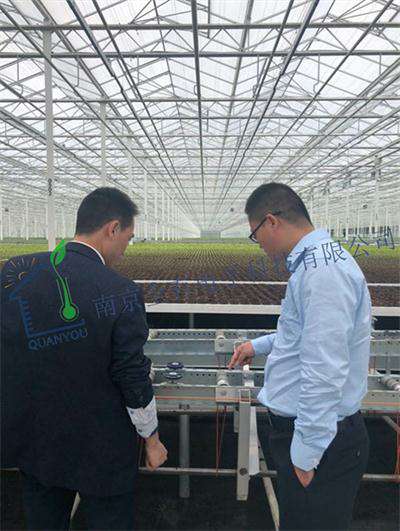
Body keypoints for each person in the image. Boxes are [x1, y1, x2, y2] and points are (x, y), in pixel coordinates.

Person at [1, 187, 167, 530]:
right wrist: (151, 438)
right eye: (128, 238)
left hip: (37, 441)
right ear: (112, 228)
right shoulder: (121, 291)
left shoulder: (17, 274)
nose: (125, 249)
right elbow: (130, 373)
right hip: (100, 447)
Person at [228, 182, 371, 530]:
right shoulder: (316, 264)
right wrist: (257, 346)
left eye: (255, 235)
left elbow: (324, 367)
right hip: (316, 438)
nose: (259, 244)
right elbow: (306, 336)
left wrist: (307, 454)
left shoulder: (323, 272)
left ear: (271, 222)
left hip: (322, 444)